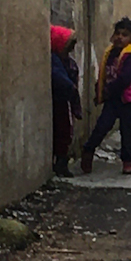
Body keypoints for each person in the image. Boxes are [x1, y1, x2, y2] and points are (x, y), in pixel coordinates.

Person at [81, 17, 131, 176]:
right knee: (102, 126)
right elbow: (104, 75)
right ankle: (88, 151)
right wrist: (100, 91)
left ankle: (128, 161)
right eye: (117, 33)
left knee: (127, 130)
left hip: (129, 99)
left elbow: (125, 78)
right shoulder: (110, 53)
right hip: (113, 98)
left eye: (124, 35)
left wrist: (108, 91)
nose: (119, 37)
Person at [50, 25, 82, 177]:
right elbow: (62, 80)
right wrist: (71, 90)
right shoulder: (55, 61)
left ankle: (61, 160)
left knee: (64, 131)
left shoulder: (64, 61)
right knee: (63, 131)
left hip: (64, 100)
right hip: (61, 101)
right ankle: (61, 162)